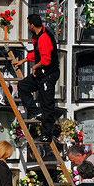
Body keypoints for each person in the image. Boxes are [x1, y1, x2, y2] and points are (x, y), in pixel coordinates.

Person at [12, 14, 60, 142]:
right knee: (23, 86)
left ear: (32, 25)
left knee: (47, 104)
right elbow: (37, 53)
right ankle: (35, 112)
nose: (28, 26)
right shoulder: (37, 36)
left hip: (48, 74)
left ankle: (47, 135)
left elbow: (45, 60)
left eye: (28, 24)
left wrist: (34, 67)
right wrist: (23, 60)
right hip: (41, 73)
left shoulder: (44, 38)